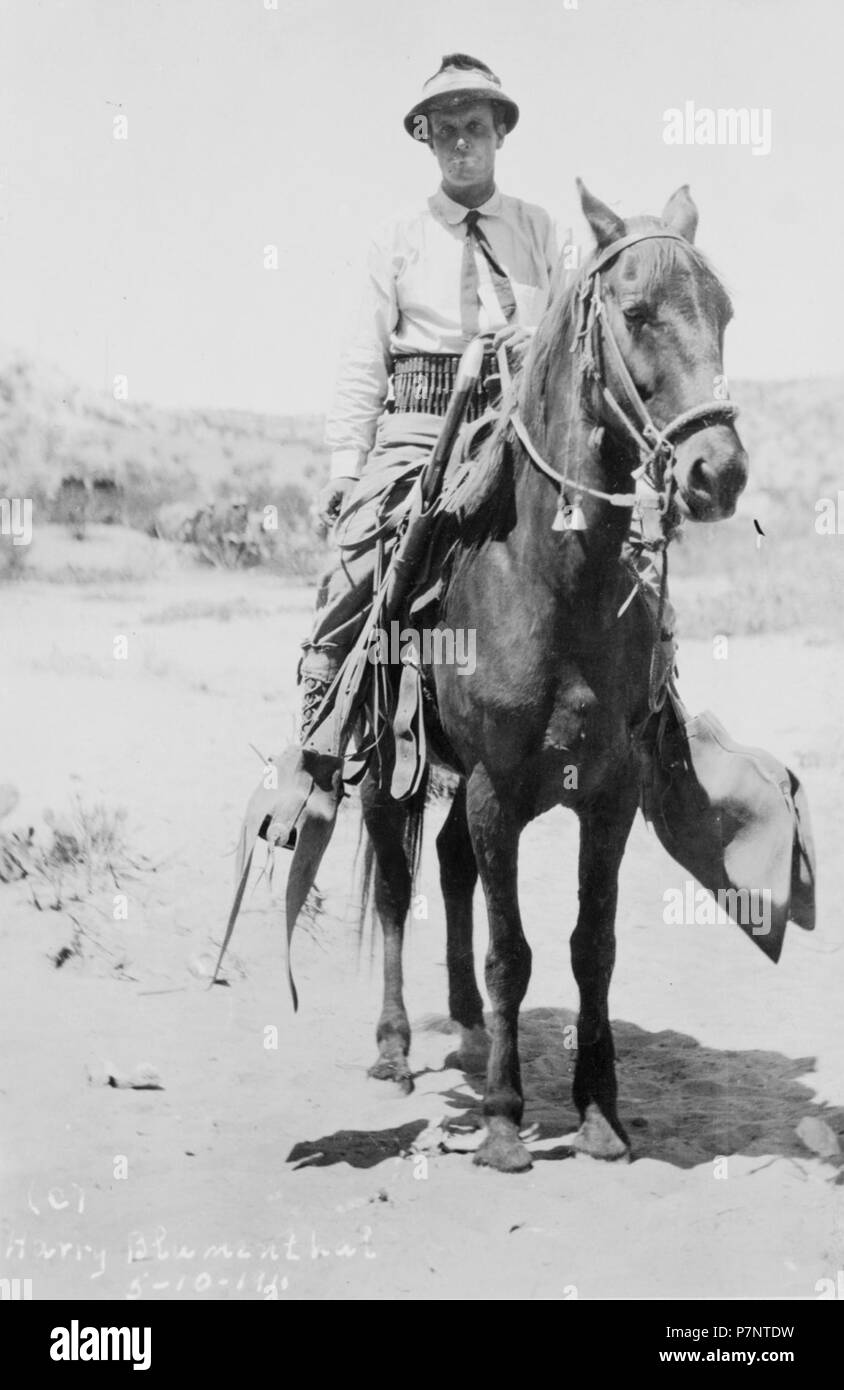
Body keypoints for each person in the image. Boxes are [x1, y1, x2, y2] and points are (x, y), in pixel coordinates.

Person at [297, 53, 561, 741]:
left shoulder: (541, 231)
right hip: (420, 428)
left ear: (501, 132)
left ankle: (654, 711)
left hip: (519, 428)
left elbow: (564, 344)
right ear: (428, 140)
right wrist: (346, 467)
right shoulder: (398, 238)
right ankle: (326, 704)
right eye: (446, 132)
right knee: (361, 546)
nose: (462, 143)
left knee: (612, 539)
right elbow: (364, 357)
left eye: (475, 126)